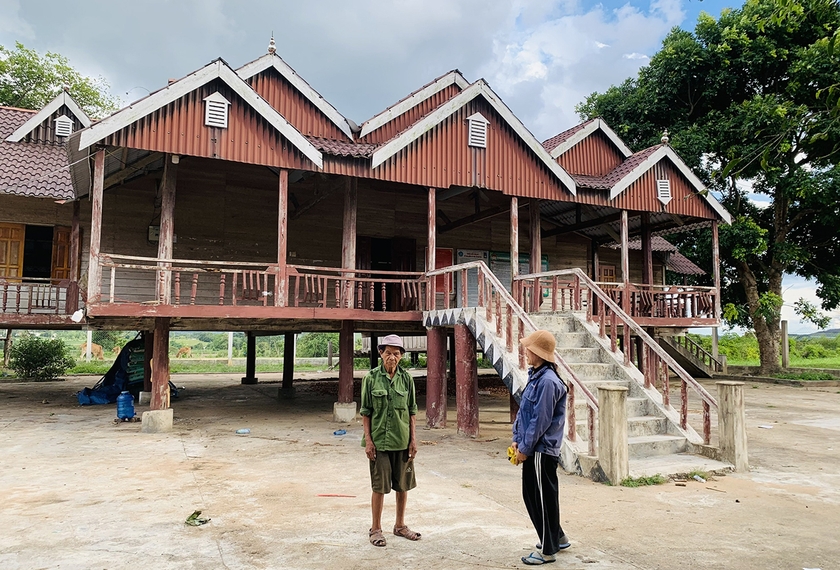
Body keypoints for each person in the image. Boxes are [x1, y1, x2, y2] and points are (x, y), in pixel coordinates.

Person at [512, 329, 570, 565]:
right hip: (534, 447)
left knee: (541, 498)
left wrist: (525, 448)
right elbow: (525, 412)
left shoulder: (547, 381)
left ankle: (548, 550)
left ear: (538, 352)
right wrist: (517, 437)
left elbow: (540, 421)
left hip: (541, 450)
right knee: (536, 495)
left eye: (529, 348)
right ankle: (557, 537)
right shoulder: (537, 376)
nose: (526, 352)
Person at [360, 334, 421, 547]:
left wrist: (413, 440)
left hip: (402, 441)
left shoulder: (407, 379)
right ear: (380, 353)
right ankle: (376, 529)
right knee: (379, 486)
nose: (392, 357)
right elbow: (365, 412)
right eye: (388, 353)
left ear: (402, 356)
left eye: (396, 354)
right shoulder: (371, 378)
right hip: (379, 441)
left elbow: (412, 411)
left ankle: (400, 525)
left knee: (402, 486)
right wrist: (368, 441)